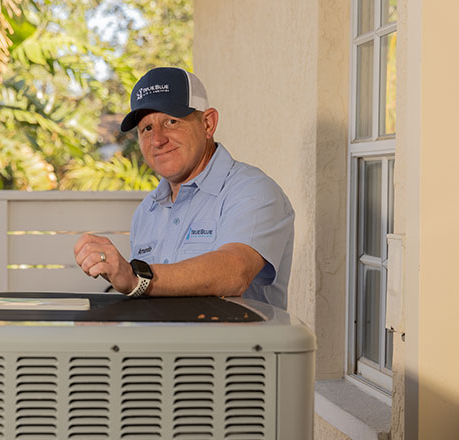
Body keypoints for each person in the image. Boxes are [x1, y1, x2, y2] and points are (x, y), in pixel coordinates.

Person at [74, 67, 294, 309]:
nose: (157, 139)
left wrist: (137, 278)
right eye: (147, 128)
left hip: (232, 348)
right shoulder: (146, 212)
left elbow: (235, 272)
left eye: (171, 121)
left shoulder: (253, 191)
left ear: (208, 124)